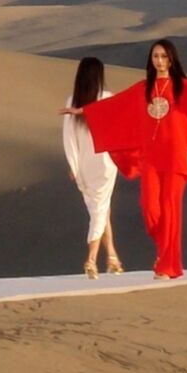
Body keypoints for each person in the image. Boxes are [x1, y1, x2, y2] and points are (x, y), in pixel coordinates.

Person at [70, 38, 187, 280]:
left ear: (171, 60)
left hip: (174, 158)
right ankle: (165, 250)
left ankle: (167, 266)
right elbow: (115, 106)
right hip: (151, 158)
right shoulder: (142, 88)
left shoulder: (182, 87)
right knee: (150, 208)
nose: (159, 61)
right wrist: (85, 111)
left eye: (163, 56)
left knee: (171, 212)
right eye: (155, 56)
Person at [62, 56, 123, 278]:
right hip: (105, 162)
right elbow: (117, 133)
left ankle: (112, 257)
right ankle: (91, 259)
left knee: (100, 208)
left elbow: (68, 138)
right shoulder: (108, 98)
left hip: (85, 165)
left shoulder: (72, 100)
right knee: (100, 209)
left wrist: (74, 164)